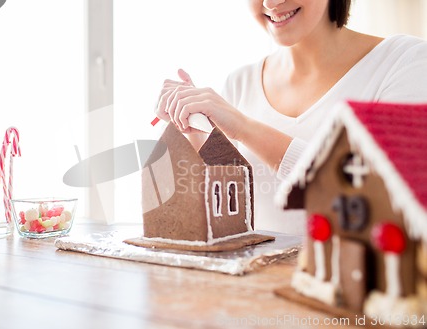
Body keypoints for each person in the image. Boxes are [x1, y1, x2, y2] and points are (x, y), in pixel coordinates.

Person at [154, 0, 427, 235]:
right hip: (251, 292)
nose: (272, 2)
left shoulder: (405, 62)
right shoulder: (239, 83)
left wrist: (245, 128)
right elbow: (213, 219)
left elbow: (379, 200)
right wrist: (191, 130)